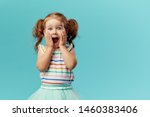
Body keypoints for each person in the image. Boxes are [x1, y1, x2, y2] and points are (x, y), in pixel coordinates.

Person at [28, 12, 80, 100]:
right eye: (50, 29)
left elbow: (71, 65)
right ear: (44, 32)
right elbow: (41, 67)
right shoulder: (43, 49)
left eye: (59, 28)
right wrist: (50, 47)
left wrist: (62, 46)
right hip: (46, 92)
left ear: (66, 31)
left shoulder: (69, 48)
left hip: (66, 92)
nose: (54, 31)